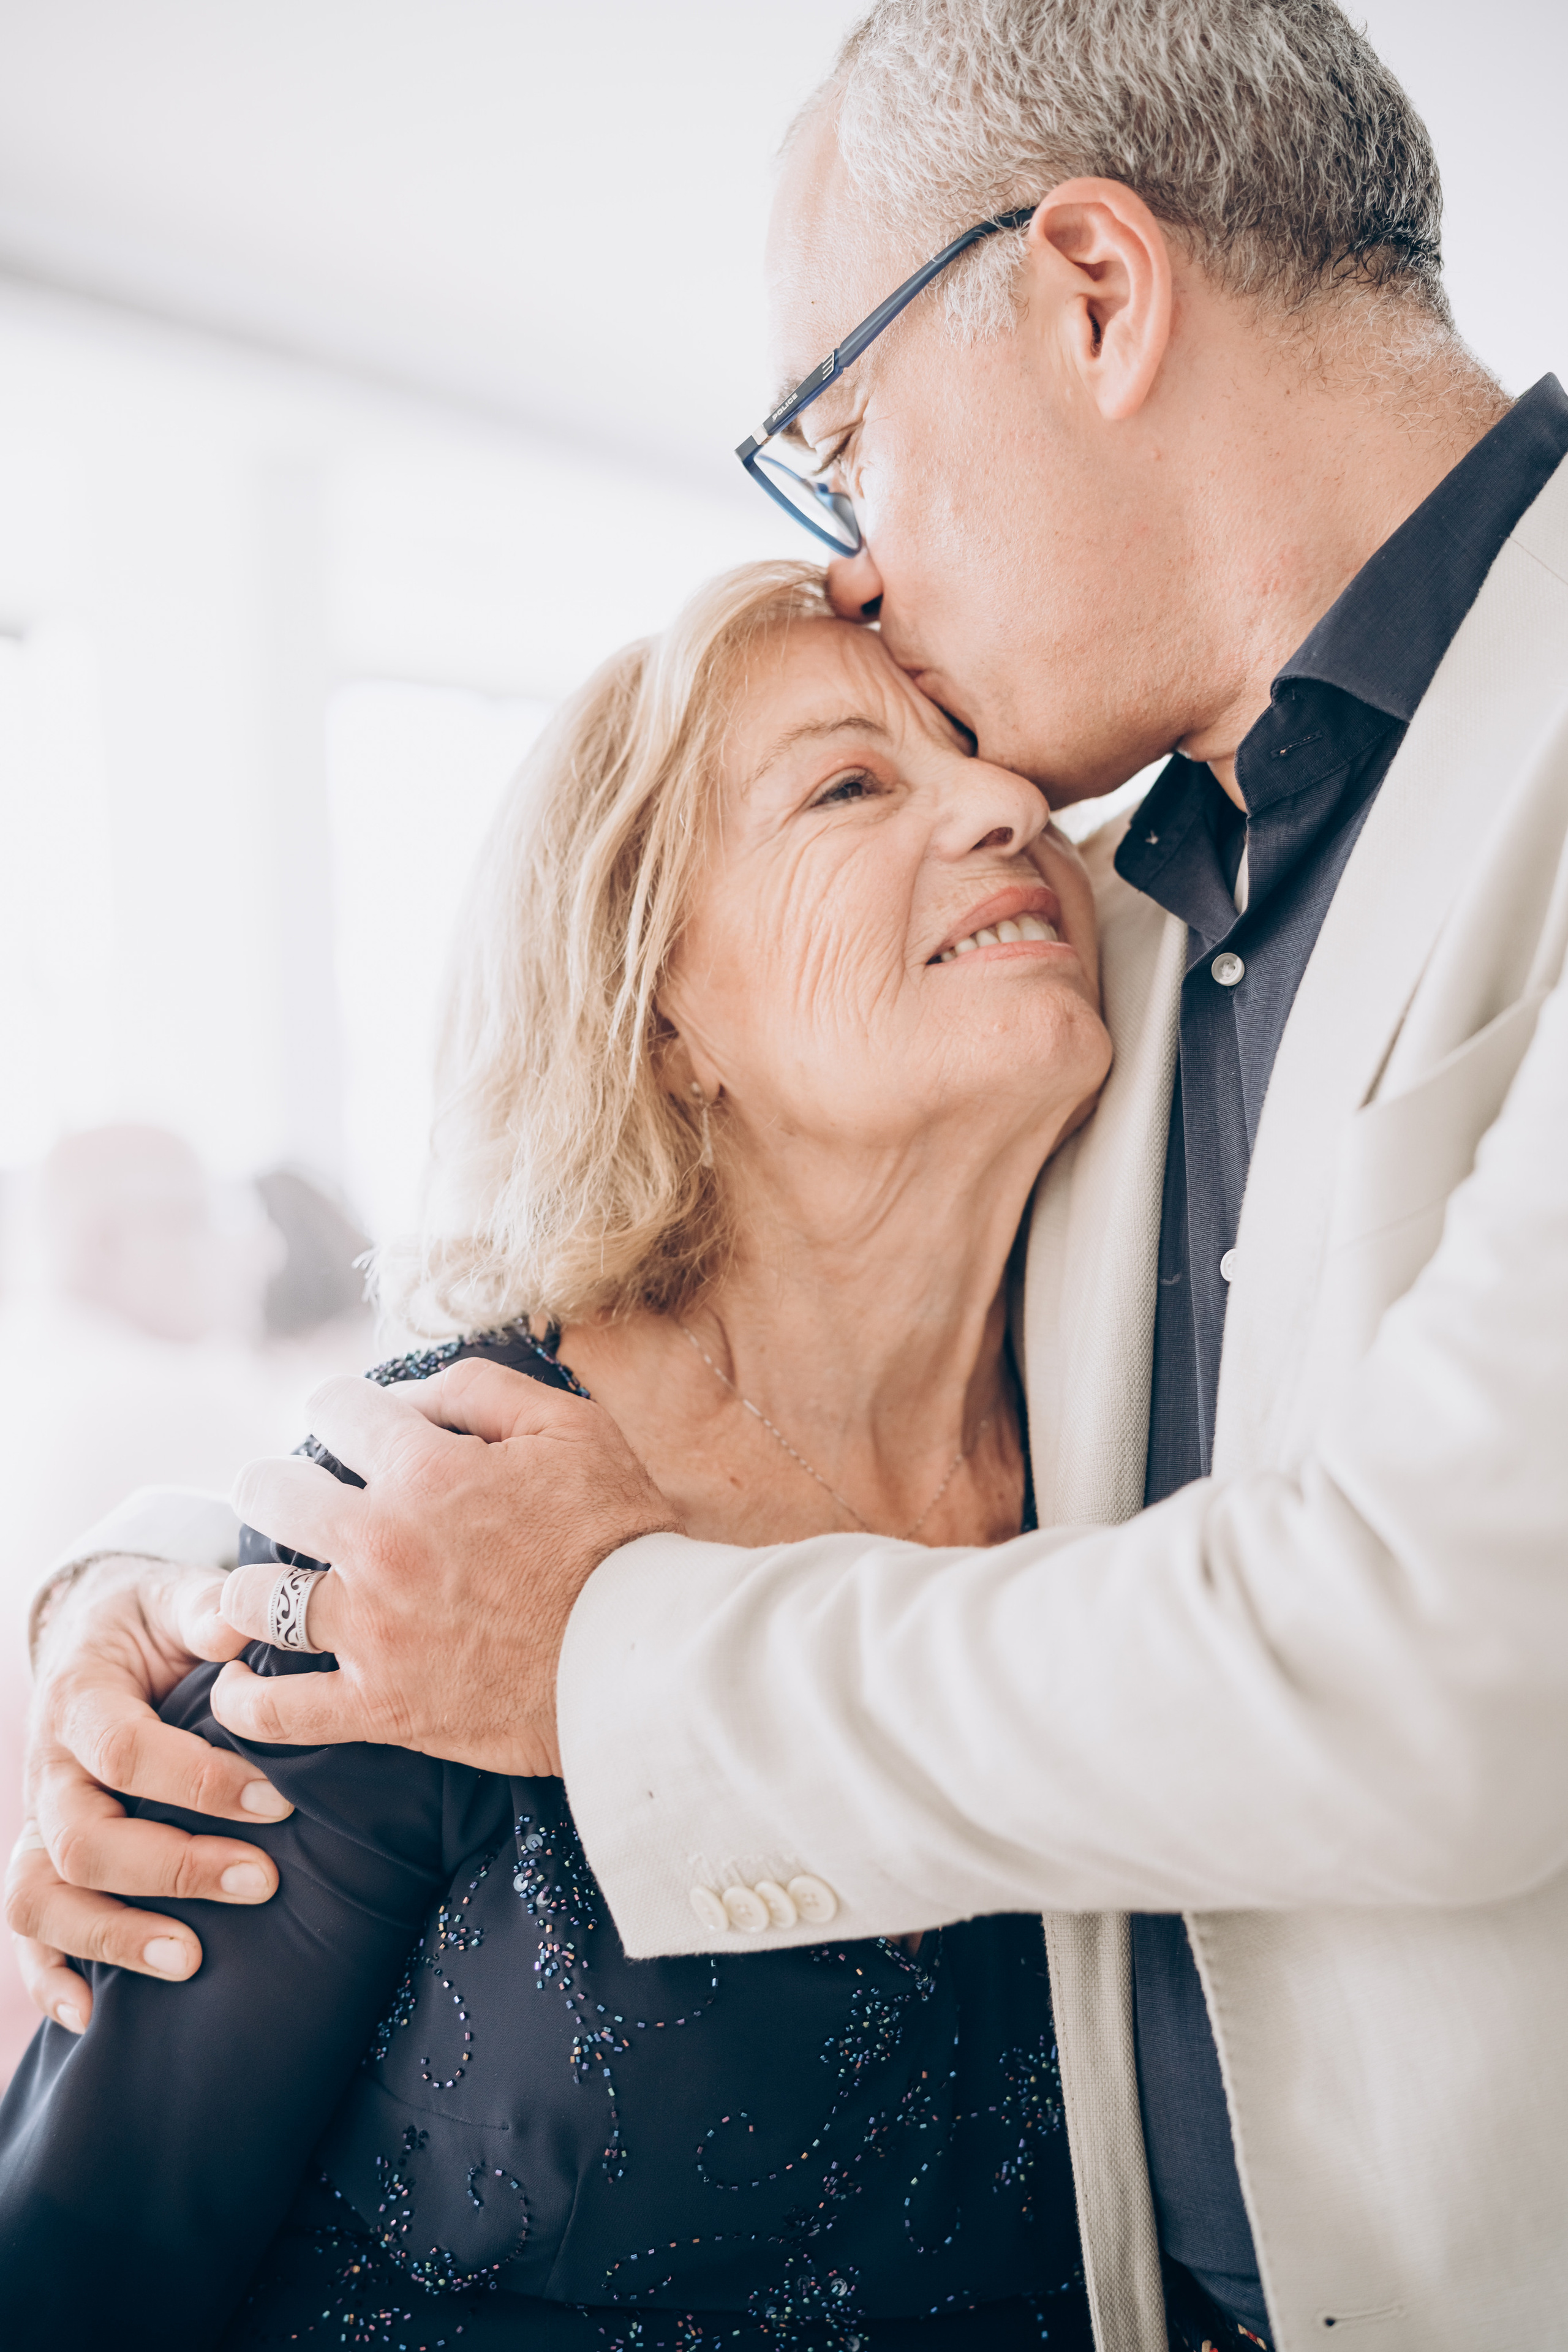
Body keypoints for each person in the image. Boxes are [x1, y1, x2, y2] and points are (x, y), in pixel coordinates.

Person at [12, 2, 1568, 2344]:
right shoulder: (1160, 900)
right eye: (865, 782)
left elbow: (1438, 1644)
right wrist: (143, 1609)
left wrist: (595, 1647)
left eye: (846, 440)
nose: (863, 573)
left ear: (1095, 295)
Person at [0, 562, 1109, 2348]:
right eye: (851, 785)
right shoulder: (426, 1506)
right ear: (664, 1009)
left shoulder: (1150, 1486)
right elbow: (72, 2279)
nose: (1008, 806)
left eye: (988, 760)